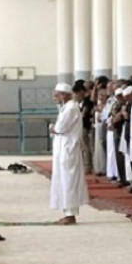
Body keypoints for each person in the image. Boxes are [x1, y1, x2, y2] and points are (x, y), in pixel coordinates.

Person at [50, 83, 89, 225]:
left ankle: (71, 214)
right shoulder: (66, 107)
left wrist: (52, 127)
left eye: (57, 95)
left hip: (68, 150)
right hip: (63, 149)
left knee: (69, 181)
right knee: (63, 180)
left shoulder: (71, 108)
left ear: (64, 95)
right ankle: (67, 212)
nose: (55, 98)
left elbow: (60, 128)